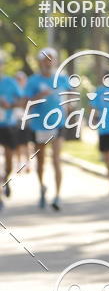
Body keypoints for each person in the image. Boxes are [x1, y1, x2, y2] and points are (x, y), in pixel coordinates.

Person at [22, 48, 70, 210]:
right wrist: (39, 96)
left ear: (55, 61)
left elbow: (70, 96)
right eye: (45, 60)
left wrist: (69, 105)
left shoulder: (62, 78)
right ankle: (42, 187)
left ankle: (57, 196)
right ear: (40, 62)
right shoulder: (33, 81)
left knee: (56, 159)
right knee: (41, 161)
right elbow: (25, 102)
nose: (48, 62)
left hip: (58, 123)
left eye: (50, 59)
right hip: (38, 125)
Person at [0, 52, 21, 209]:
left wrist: (10, 105)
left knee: (8, 161)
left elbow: (21, 100)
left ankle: (5, 179)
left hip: (8, 125)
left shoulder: (10, 82)